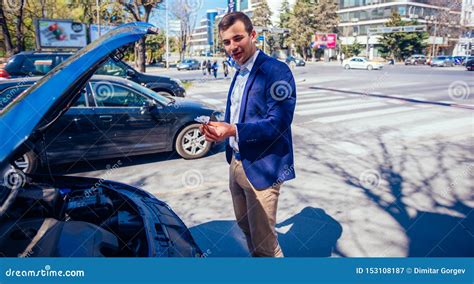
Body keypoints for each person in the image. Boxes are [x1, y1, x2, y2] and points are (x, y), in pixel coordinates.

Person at [199, 12, 296, 257]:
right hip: (236, 162)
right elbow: (240, 115)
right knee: (246, 228)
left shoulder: (276, 71)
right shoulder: (239, 70)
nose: (232, 47)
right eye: (226, 42)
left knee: (265, 244)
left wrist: (233, 130)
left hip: (263, 169)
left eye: (238, 38)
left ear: (253, 35)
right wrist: (218, 130)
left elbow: (279, 123)